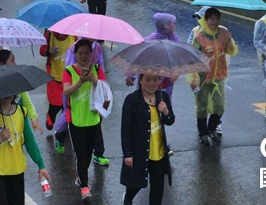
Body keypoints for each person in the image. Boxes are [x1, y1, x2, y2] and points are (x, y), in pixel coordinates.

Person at [0, 93, 49, 205]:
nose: (9, 94)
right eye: (3, 91)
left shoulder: (21, 112)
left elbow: (29, 141)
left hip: (16, 168)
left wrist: (40, 164)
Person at [61, 39, 109, 202]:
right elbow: (67, 92)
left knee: (88, 154)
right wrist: (81, 81)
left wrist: (94, 80)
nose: (83, 56)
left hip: (93, 120)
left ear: (91, 55)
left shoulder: (97, 69)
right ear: (75, 54)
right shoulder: (69, 71)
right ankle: (84, 185)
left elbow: (105, 90)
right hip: (76, 120)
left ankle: (81, 177)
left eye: (86, 53)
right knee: (81, 154)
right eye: (80, 53)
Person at [120, 74, 175, 205]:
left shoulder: (163, 97)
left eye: (156, 79)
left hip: (159, 153)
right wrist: (128, 154)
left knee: (157, 190)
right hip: (140, 152)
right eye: (148, 79)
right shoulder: (132, 100)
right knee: (135, 184)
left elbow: (170, 120)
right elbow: (125, 130)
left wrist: (166, 112)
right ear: (141, 81)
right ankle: (128, 198)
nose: (152, 83)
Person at [188, 7, 237, 147]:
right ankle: (203, 134)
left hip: (219, 76)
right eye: (211, 19)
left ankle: (211, 128)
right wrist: (194, 77)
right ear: (206, 20)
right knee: (202, 107)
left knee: (219, 105)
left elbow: (231, 51)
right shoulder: (199, 37)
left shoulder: (223, 34)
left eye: (217, 19)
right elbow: (192, 58)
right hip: (203, 77)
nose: (214, 22)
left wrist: (229, 41)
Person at [0, 49, 44, 135]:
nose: (15, 64)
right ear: (1, 64)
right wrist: (0, 100)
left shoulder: (17, 80)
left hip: (15, 123)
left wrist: (34, 119)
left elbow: (27, 102)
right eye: (12, 61)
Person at [125, 14, 180, 97]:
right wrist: (130, 76)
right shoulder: (150, 41)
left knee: (162, 106)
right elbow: (138, 59)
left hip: (165, 84)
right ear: (166, 25)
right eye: (173, 23)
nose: (175, 25)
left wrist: (176, 73)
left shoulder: (173, 39)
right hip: (149, 82)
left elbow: (178, 58)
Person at [40, 30, 77, 134]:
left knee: (66, 103)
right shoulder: (49, 35)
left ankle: (63, 127)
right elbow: (42, 51)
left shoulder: (73, 35)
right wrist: (48, 51)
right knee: (56, 103)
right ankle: (50, 116)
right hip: (53, 75)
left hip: (69, 76)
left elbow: (79, 50)